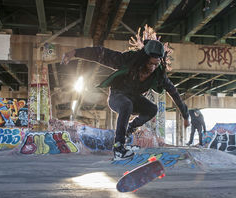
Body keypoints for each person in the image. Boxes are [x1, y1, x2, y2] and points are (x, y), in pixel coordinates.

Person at [61, 39, 190, 160]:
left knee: (152, 109)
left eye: (155, 65)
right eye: (150, 63)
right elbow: (102, 54)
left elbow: (174, 93)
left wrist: (185, 115)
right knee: (126, 104)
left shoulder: (159, 75)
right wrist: (75, 53)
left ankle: (129, 129)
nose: (152, 68)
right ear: (143, 58)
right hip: (117, 97)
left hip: (135, 100)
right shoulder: (129, 60)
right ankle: (119, 147)